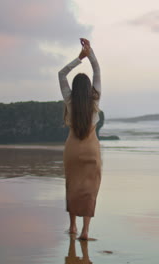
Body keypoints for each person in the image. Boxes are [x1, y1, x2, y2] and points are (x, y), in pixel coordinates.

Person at [58, 38, 102, 241]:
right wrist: (90, 53)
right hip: (91, 150)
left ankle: (73, 227)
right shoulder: (95, 99)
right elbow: (97, 71)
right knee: (90, 189)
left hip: (72, 150)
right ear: (89, 89)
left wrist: (79, 58)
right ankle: (85, 231)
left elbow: (61, 74)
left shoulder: (69, 100)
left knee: (73, 186)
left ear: (75, 90)